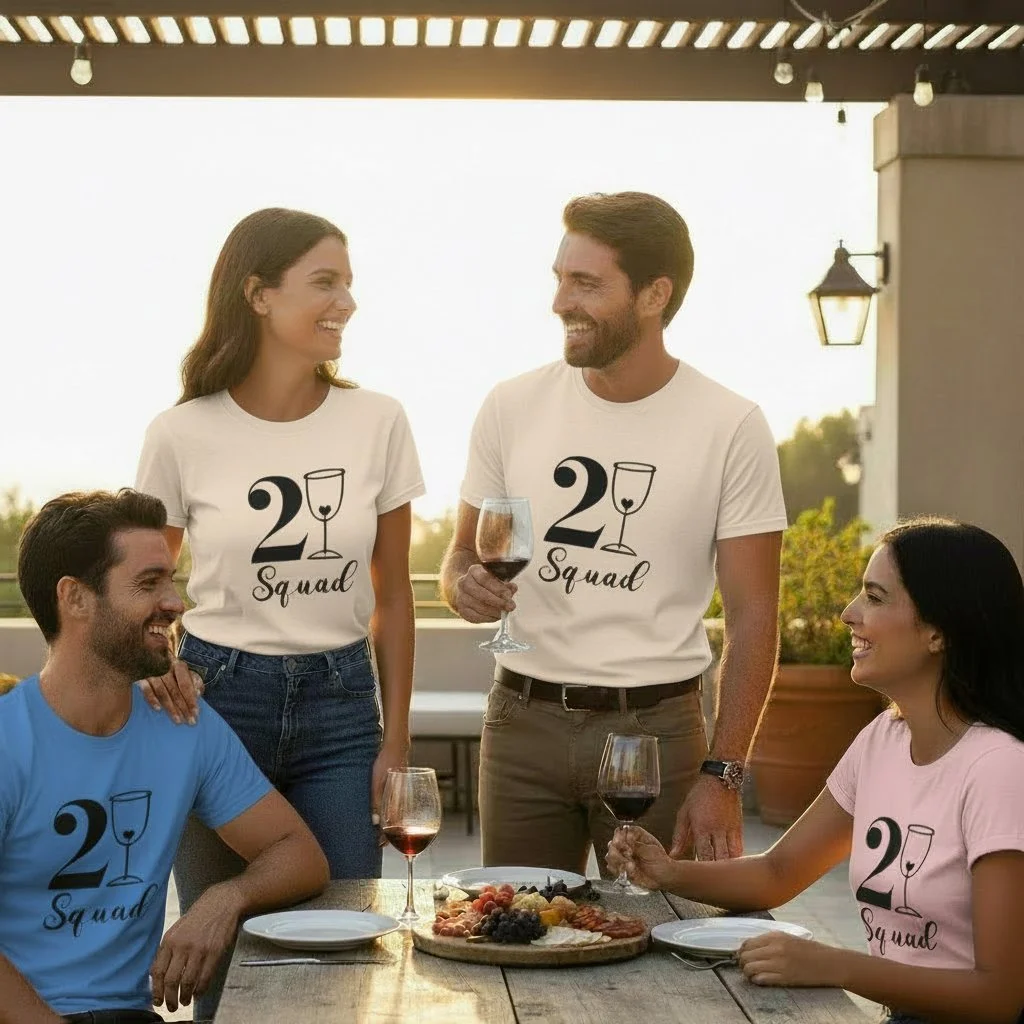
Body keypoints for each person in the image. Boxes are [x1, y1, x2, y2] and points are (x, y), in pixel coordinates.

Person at [440, 191, 787, 873]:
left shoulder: (731, 425)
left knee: (664, 930)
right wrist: (461, 586)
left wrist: (723, 775)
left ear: (654, 294)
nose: (559, 302)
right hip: (521, 722)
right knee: (516, 924)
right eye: (559, 279)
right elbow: (460, 555)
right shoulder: (511, 405)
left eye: (586, 283)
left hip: (657, 733)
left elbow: (754, 618)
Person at [134, 206, 424, 1018]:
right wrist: (159, 663)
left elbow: (393, 594)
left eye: (349, 284)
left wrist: (395, 742)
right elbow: (146, 582)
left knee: (343, 953)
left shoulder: (378, 420)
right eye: (324, 283)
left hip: (342, 709)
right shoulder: (181, 432)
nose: (346, 303)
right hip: (214, 704)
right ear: (259, 294)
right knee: (222, 960)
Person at [608, 518, 1024, 1024]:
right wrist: (669, 873)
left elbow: (1000, 996)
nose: (849, 613)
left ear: (938, 632)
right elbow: (778, 872)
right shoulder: (882, 740)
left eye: (874, 597)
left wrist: (834, 965)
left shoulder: (999, 768)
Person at [0, 490, 329, 1024]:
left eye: (171, 582)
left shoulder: (183, 726)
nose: (175, 603)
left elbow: (301, 855)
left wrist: (225, 899)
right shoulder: (8, 740)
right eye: (149, 583)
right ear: (75, 598)